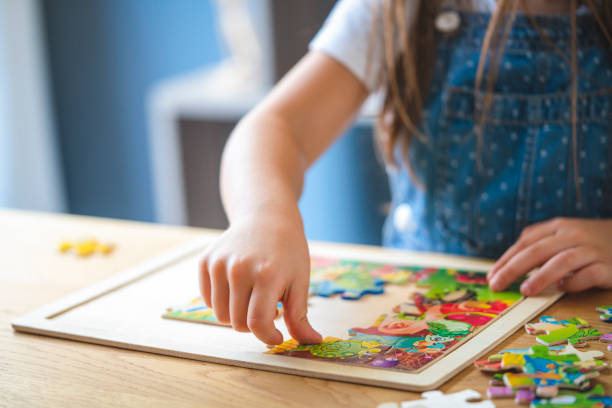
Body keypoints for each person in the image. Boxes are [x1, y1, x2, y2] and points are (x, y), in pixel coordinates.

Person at [199, 0, 612, 346]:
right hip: (424, 326)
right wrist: (263, 215)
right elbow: (276, 126)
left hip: (587, 328)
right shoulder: (395, 7)